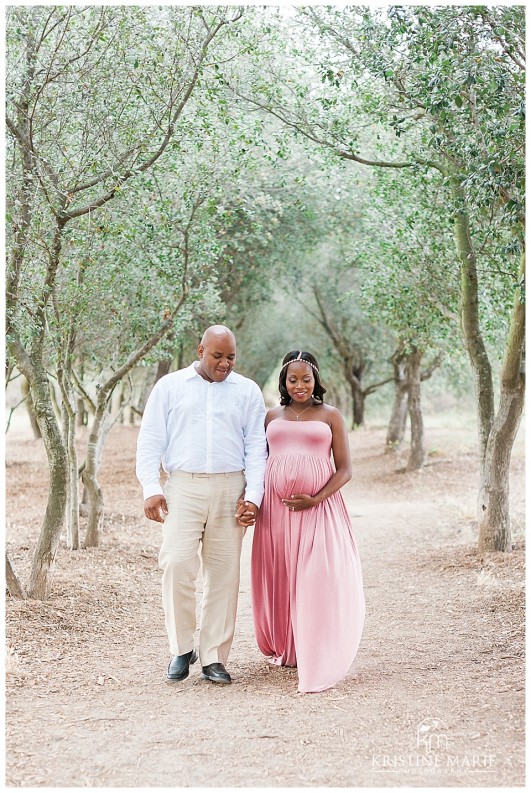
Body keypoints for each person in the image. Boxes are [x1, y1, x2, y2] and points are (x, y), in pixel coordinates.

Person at [136, 325, 267, 685]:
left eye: (231, 357)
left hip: (231, 488)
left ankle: (213, 657)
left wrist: (254, 497)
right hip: (183, 486)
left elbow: (257, 448)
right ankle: (181, 648)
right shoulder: (170, 387)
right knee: (176, 564)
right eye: (217, 356)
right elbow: (150, 438)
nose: (225, 363)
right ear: (200, 350)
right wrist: (151, 486)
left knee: (223, 576)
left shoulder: (247, 391)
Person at [251, 350, 365, 693]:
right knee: (282, 574)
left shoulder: (331, 416)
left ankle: (321, 647)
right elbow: (258, 462)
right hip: (276, 511)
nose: (299, 385)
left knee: (318, 577)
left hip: (319, 509)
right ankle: (291, 647)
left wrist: (315, 498)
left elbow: (345, 469)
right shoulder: (271, 416)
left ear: (316, 380)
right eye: (292, 379)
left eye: (306, 379)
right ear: (283, 382)